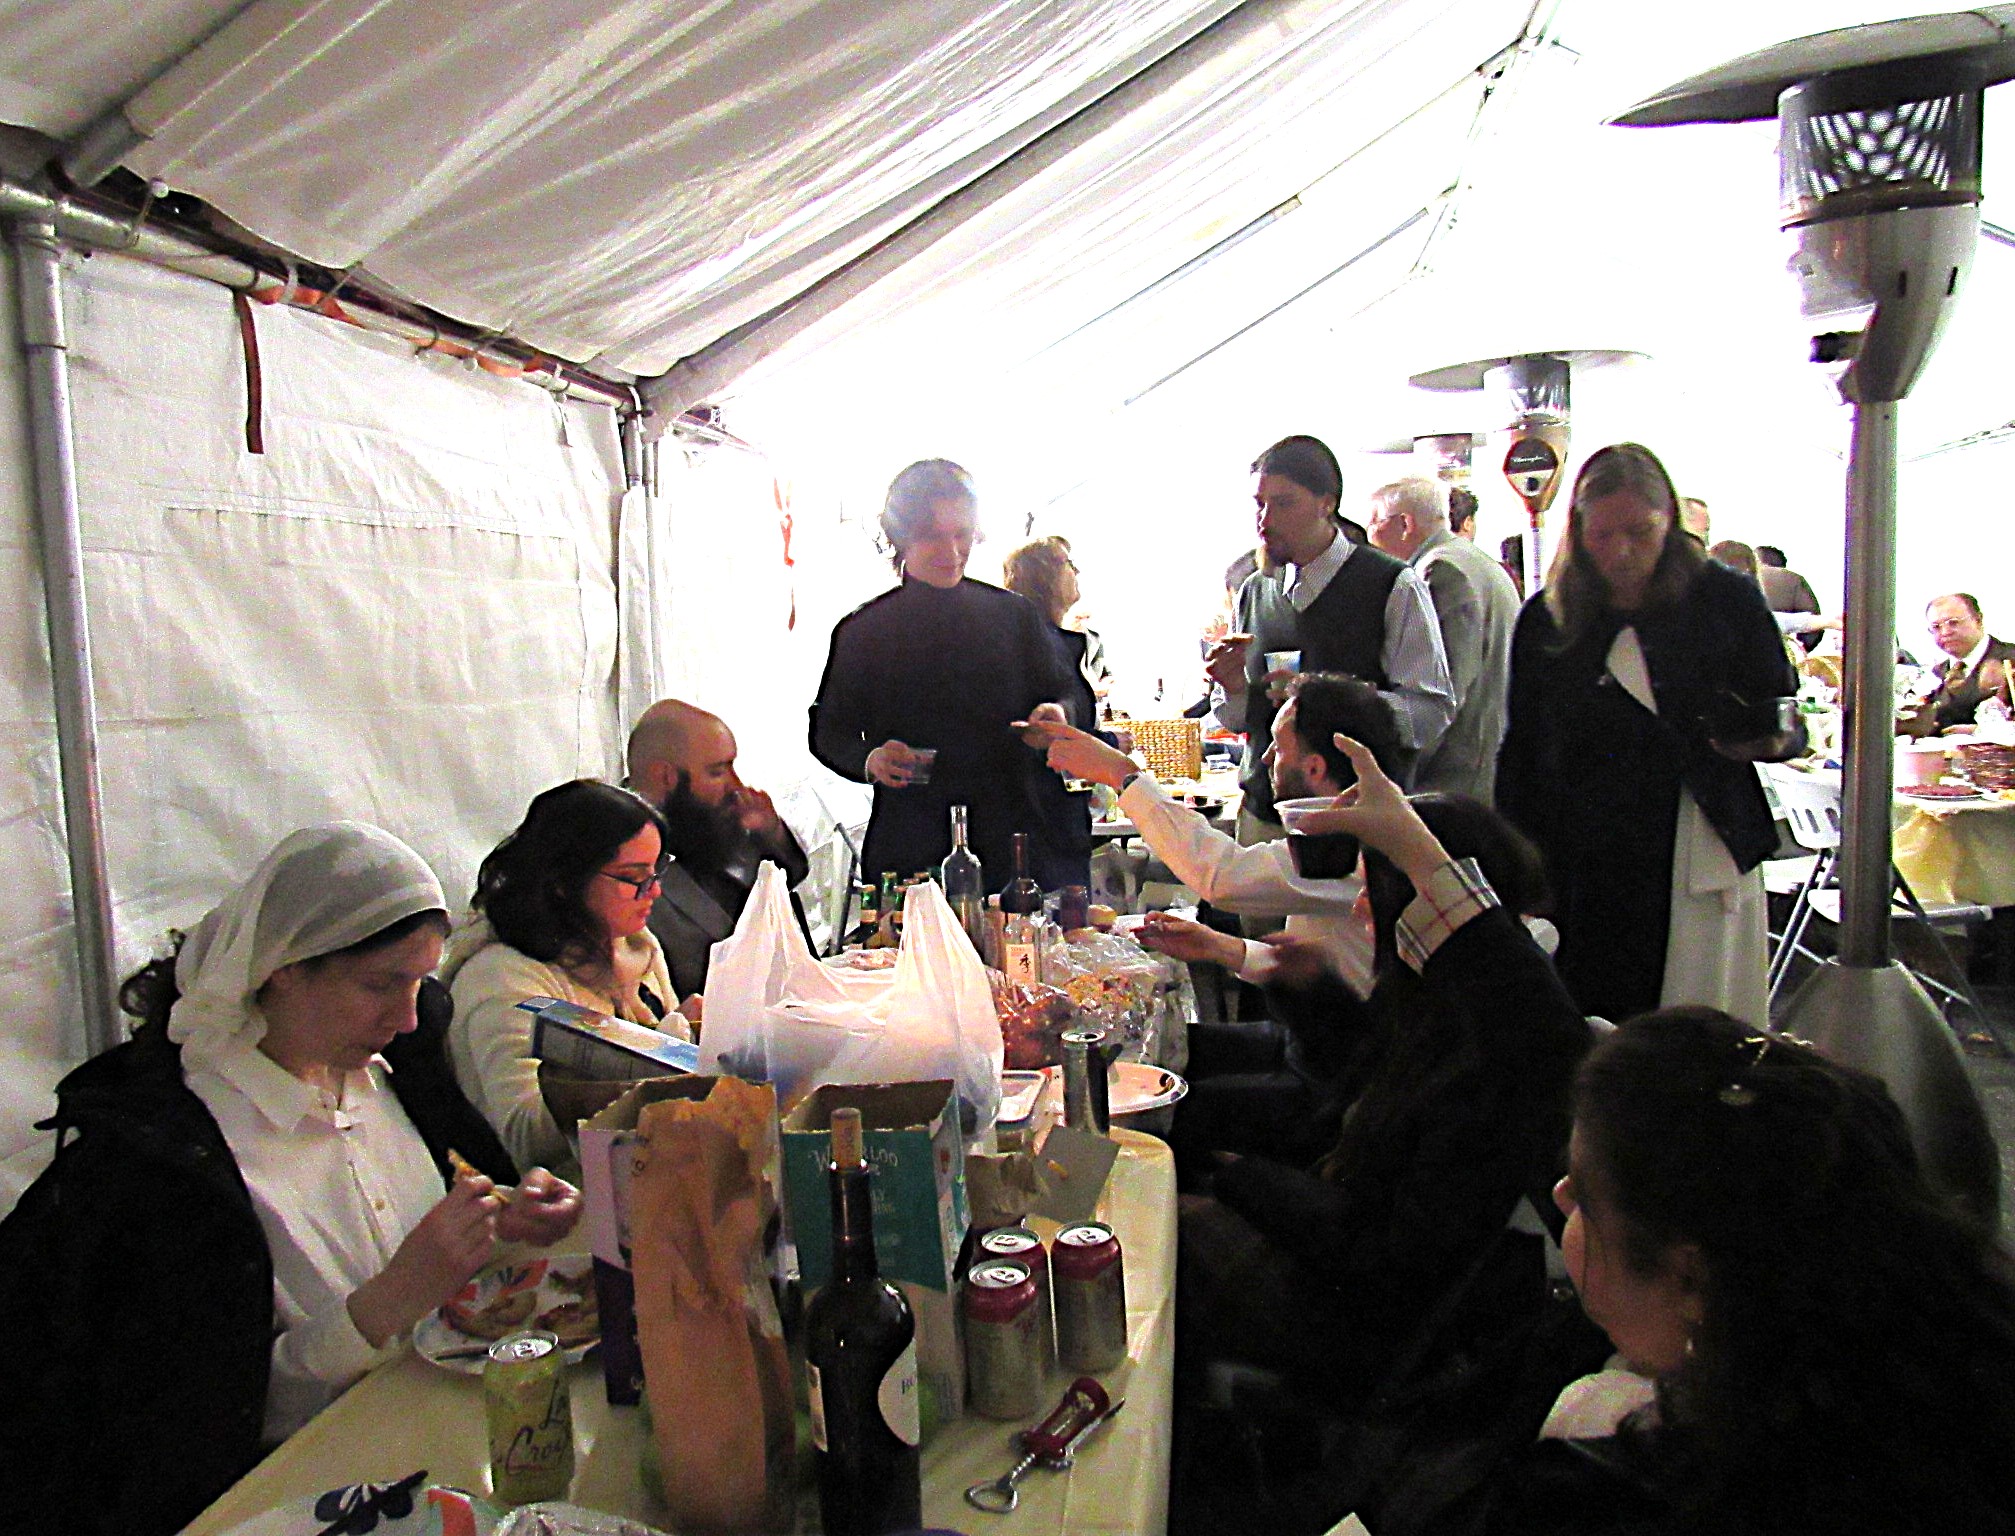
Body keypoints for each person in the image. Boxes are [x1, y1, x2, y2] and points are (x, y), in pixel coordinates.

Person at [0, 823, 581, 1536]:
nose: (407, 1017)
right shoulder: (170, 1164)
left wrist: (502, 1219)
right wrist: (385, 1304)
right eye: (380, 984)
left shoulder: (390, 1074)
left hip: (438, 1435)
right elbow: (195, 1429)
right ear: (283, 967)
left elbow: (440, 1237)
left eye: (418, 983)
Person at [1176, 735, 1592, 1431]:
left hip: (1359, 1319)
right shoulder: (1442, 1005)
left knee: (1156, 1243)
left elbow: (1384, 1254)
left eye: (1374, 891)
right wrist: (1312, 992)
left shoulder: (1502, 1040)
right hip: (1342, 1256)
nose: (1361, 910)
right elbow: (1367, 1083)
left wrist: (1244, 1180)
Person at [1467, 1010, 2015, 1535]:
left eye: (1585, 1196)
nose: (1560, 1195)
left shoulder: (1615, 1494)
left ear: (1691, 1280)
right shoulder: (1947, 1380)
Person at [1497, 443, 1801, 1028]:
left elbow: (1779, 710)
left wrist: (1760, 736)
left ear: (1670, 523)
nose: (1621, 551)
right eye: (1602, 534)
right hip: (1582, 851)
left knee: (1697, 1012)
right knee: (1594, 1010)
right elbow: (1524, 751)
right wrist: (1517, 861)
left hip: (1694, 836)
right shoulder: (1548, 617)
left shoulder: (1725, 599)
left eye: (1640, 532)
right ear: (1578, 531)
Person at [809, 458, 1081, 890]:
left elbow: (1070, 691)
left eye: (962, 535)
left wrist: (1058, 712)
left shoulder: (1013, 615)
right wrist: (870, 760)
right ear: (899, 536)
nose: (952, 552)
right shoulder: (864, 631)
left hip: (1014, 833)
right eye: (933, 536)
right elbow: (828, 731)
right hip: (913, 836)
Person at [1207, 435, 1454, 835]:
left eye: (1283, 503)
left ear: (1327, 503)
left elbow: (1430, 712)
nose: (1265, 520)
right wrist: (1233, 687)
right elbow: (1238, 719)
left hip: (1358, 822)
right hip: (1265, 816)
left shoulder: (1391, 585)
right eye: (1259, 504)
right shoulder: (1255, 591)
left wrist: (1333, 700)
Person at [444, 780, 684, 1173]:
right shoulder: (503, 978)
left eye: (657, 870)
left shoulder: (635, 946)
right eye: (634, 877)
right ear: (562, 881)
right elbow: (524, 1140)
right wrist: (651, 1065)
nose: (654, 891)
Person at [627, 699, 811, 1004]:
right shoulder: (618, 852)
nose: (735, 785)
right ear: (666, 776)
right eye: (716, 772)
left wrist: (771, 832)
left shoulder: (712, 819)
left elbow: (788, 877)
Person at [1368, 477, 1521, 801]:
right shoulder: (1476, 560)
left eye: (1374, 521)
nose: (1369, 536)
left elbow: (1440, 692)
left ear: (1405, 524)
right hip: (1484, 766)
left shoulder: (1439, 571)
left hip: (1451, 778)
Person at [1901, 591, 2014, 736]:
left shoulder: (2010, 659)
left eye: (1953, 623)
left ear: (1978, 620)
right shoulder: (1936, 673)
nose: (1945, 632)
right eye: (1936, 627)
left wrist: (1979, 731)